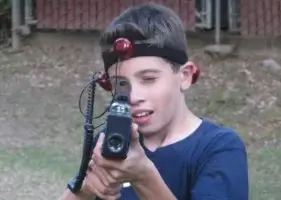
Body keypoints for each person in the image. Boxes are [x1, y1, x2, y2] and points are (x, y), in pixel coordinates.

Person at [58, 2, 248, 200]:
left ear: (185, 76)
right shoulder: (109, 141)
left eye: (148, 79)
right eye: (121, 85)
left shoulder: (219, 148)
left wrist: (143, 177)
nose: (133, 97)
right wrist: (85, 188)